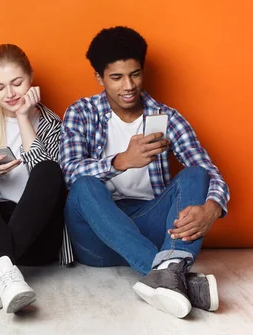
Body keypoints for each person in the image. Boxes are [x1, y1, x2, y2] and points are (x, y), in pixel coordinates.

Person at [60, 26, 230, 318]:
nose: (128, 86)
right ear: (99, 78)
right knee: (85, 185)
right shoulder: (82, 112)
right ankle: (174, 275)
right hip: (96, 241)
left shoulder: (167, 117)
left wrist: (214, 207)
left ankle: (167, 272)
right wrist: (120, 161)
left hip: (149, 226)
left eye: (135, 74)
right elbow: (68, 172)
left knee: (196, 176)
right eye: (116, 77)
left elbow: (207, 170)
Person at [0, 44, 72, 314]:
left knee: (48, 170)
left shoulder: (52, 124)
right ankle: (4, 271)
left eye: (17, 83)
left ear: (31, 78)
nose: (9, 94)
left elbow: (47, 179)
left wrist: (23, 116)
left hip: (37, 240)